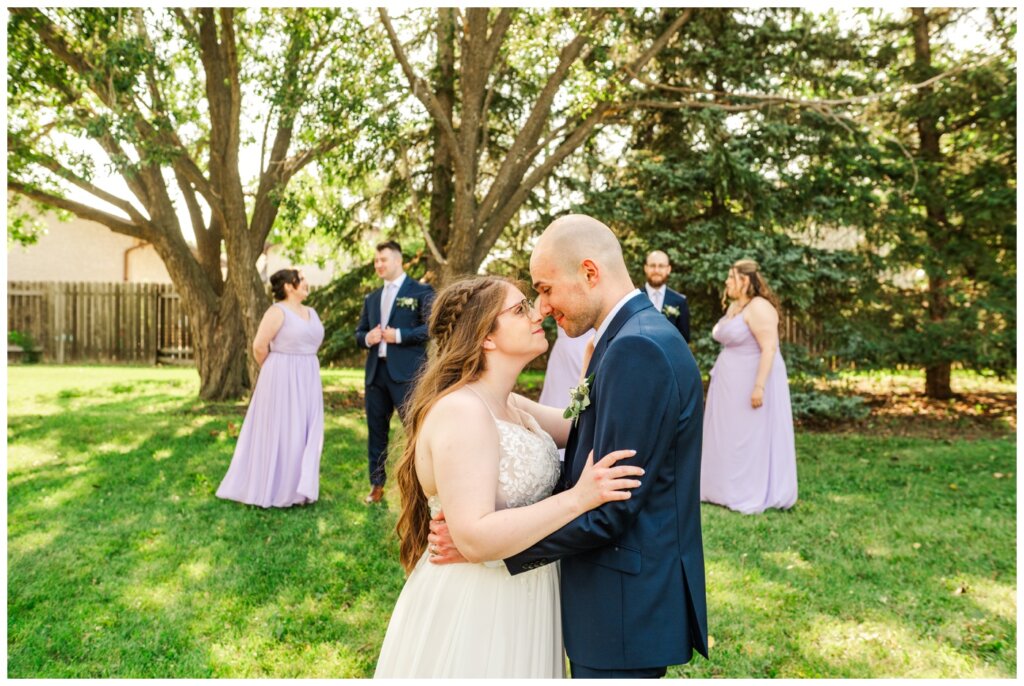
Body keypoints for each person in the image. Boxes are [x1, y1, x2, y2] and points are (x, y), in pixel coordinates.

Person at [430, 215, 708, 678]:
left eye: (545, 289)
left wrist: (490, 549)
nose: (542, 307)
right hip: (614, 604)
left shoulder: (636, 349)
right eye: (529, 300)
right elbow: (585, 451)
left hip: (621, 609)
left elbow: (611, 506)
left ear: (590, 273)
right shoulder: (630, 337)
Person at [374, 276, 643, 678]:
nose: (539, 313)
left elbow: (586, 427)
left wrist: (615, 362)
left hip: (526, 591)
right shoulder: (461, 412)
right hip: (478, 604)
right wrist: (578, 498)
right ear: (485, 336)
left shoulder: (511, 403)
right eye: (520, 309)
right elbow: (474, 536)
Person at [216, 269, 324, 508]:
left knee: (306, 429)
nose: (306, 283)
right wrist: (275, 371)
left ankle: (302, 488)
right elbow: (259, 346)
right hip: (281, 376)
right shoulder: (277, 312)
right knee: (285, 430)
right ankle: (278, 489)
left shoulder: (312, 312)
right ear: (289, 286)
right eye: (301, 279)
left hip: (308, 375)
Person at [700, 259, 797, 514]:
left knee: (747, 435)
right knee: (727, 434)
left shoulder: (759, 307)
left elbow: (769, 348)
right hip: (728, 382)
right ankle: (720, 488)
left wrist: (759, 387)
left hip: (751, 379)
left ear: (744, 280)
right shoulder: (735, 306)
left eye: (731, 278)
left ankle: (745, 490)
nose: (726, 282)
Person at [355, 240, 434, 504]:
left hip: (407, 375)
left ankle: (419, 486)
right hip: (376, 375)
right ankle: (376, 486)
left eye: (383, 260)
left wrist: (398, 335)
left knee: (415, 431)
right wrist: (369, 337)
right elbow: (359, 334)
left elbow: (431, 328)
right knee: (376, 431)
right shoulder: (372, 298)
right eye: (376, 261)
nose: (379, 265)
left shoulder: (421, 292)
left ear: (398, 261)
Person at [643, 249, 691, 343]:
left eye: (661, 266)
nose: (656, 270)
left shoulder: (680, 301)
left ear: (668, 269)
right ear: (645, 268)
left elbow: (684, 339)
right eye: (652, 265)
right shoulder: (634, 298)